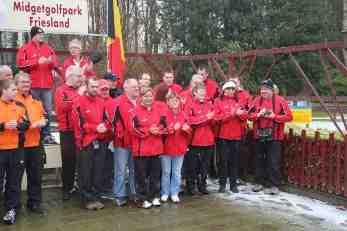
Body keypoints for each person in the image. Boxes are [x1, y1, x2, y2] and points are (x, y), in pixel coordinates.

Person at [248, 79, 293, 195]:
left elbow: (289, 117)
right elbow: (249, 116)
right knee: (259, 159)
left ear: (272, 90)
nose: (264, 91)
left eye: (266, 89)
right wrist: (258, 115)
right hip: (259, 135)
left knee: (273, 161)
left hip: (275, 136)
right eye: (262, 89)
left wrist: (274, 116)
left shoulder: (280, 100)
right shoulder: (256, 100)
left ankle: (274, 185)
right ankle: (259, 182)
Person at [72, 78, 110, 210]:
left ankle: (96, 197)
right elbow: (79, 124)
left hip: (100, 141)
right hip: (85, 142)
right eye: (92, 86)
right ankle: (86, 199)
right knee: (85, 173)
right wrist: (95, 128)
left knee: (98, 171)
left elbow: (107, 120)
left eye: (96, 87)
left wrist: (105, 126)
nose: (95, 89)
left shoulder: (102, 102)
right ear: (86, 87)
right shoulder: (79, 102)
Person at [16, 26, 59, 144]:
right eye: (39, 34)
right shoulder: (25, 48)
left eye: (42, 34)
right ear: (33, 36)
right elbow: (20, 64)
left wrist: (51, 61)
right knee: (33, 110)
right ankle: (35, 133)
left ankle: (46, 135)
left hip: (47, 86)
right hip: (33, 86)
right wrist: (36, 62)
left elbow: (56, 62)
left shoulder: (48, 48)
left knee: (48, 111)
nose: (41, 36)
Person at [0, 79, 29, 224]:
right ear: (4, 90)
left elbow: (26, 124)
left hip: (16, 150)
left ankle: (11, 210)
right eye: (13, 89)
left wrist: (18, 125)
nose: (16, 92)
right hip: (1, 150)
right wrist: (3, 126)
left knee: (14, 182)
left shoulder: (20, 105)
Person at [105, 79, 138, 206]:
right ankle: (119, 195)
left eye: (137, 87)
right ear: (126, 88)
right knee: (121, 170)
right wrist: (118, 134)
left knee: (135, 169)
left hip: (136, 142)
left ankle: (134, 192)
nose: (137, 89)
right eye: (134, 87)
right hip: (122, 142)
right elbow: (111, 121)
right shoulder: (117, 102)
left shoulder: (140, 101)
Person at [131, 88, 166, 209]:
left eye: (150, 96)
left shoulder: (158, 110)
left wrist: (158, 130)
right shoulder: (134, 111)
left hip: (156, 149)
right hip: (141, 150)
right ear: (141, 98)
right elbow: (133, 129)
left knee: (155, 174)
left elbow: (163, 124)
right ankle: (142, 198)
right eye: (145, 96)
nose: (148, 98)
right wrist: (149, 130)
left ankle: (154, 196)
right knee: (141, 176)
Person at [54, 65, 83, 201]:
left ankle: (79, 186)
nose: (81, 78)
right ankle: (67, 188)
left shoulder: (81, 89)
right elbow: (63, 106)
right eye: (79, 76)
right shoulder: (61, 90)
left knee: (82, 160)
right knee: (68, 160)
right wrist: (79, 95)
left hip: (81, 130)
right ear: (70, 76)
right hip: (67, 131)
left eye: (82, 76)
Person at [214, 81, 248, 193]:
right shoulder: (218, 101)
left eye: (233, 89)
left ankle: (233, 185)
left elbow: (245, 116)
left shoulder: (239, 101)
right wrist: (231, 114)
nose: (230, 91)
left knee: (234, 161)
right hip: (223, 136)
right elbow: (217, 118)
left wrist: (241, 114)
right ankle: (222, 184)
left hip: (236, 136)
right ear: (224, 90)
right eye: (228, 89)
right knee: (223, 161)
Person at [185, 83, 215, 195]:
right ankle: (190, 186)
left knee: (205, 165)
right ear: (195, 93)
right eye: (200, 93)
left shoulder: (209, 104)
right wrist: (205, 118)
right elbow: (190, 121)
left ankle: (202, 185)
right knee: (193, 165)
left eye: (204, 93)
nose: (203, 95)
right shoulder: (190, 104)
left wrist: (211, 119)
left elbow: (213, 120)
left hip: (208, 139)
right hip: (195, 140)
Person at [161, 92, 191, 203]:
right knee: (166, 172)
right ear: (167, 102)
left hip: (180, 148)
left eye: (176, 100)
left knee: (177, 172)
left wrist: (186, 128)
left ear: (179, 102)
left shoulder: (184, 115)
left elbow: (189, 132)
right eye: (171, 100)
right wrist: (172, 128)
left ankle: (174, 192)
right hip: (166, 149)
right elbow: (161, 132)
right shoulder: (163, 115)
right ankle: (165, 192)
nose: (174, 102)